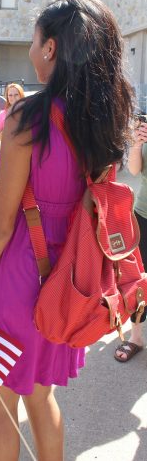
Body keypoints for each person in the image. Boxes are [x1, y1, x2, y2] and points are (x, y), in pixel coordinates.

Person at [0, 0, 133, 461]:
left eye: (34, 38)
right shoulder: (105, 117)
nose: (29, 48)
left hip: (21, 278)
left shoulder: (29, 117)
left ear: (51, 48)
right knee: (41, 394)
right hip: (73, 282)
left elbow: (0, 226)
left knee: (0, 402)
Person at [114, 117, 147, 362]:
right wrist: (137, 143)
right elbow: (135, 170)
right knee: (138, 278)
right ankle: (136, 337)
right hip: (143, 214)